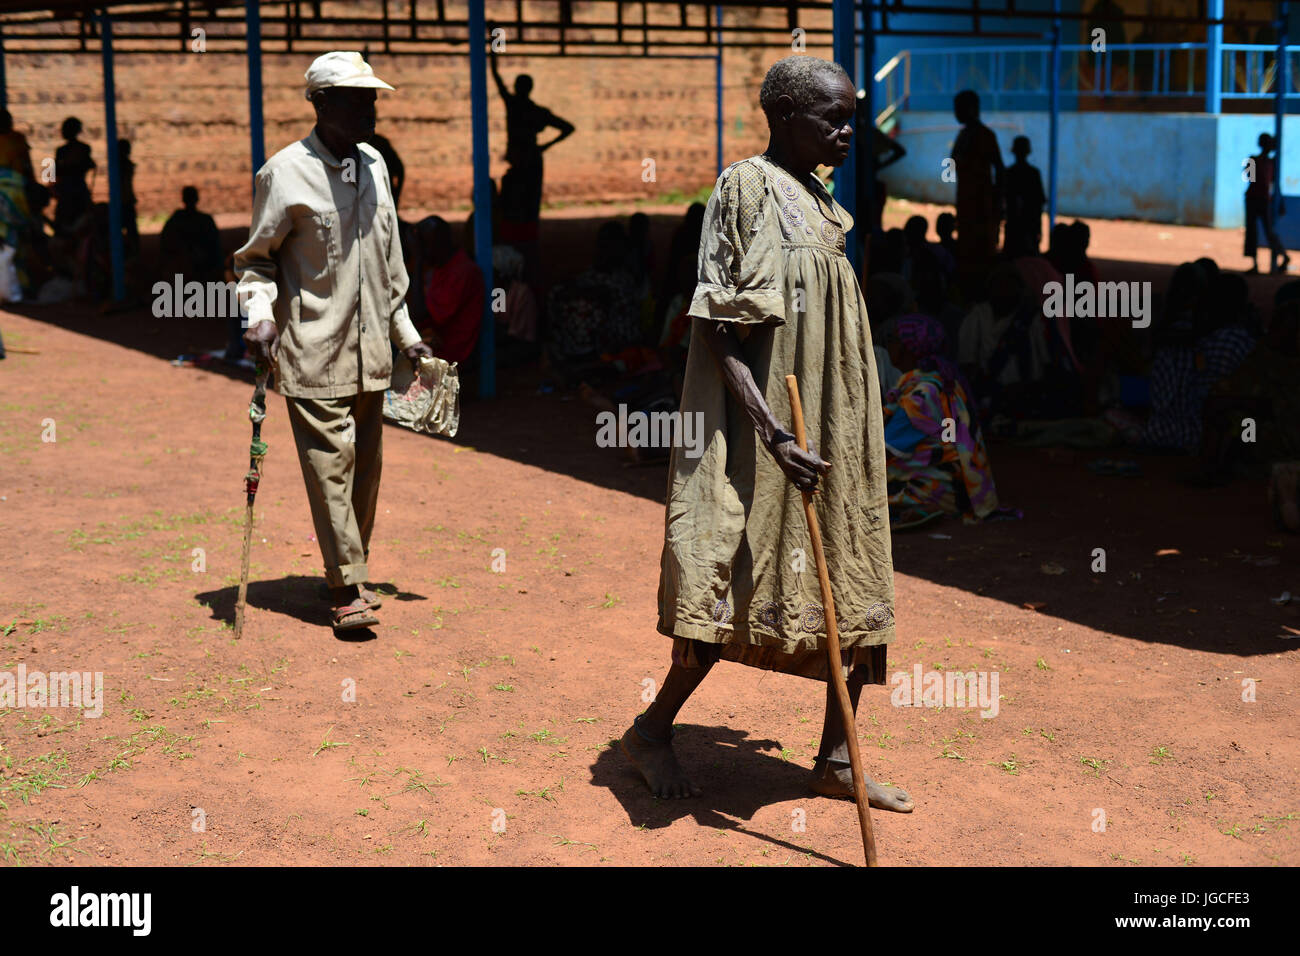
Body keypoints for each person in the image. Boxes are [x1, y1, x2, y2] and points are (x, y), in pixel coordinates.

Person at [621, 55, 912, 813]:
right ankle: (651, 732)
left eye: (851, 116)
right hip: (760, 428)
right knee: (732, 571)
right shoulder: (743, 188)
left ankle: (837, 758)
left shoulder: (822, 200)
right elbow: (715, 323)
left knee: (848, 571)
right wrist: (772, 431)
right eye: (834, 118)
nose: (849, 132)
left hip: (833, 419)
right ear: (783, 114)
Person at [236, 51, 433, 633]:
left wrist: (410, 339)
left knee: (365, 471)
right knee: (331, 465)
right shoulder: (284, 173)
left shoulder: (373, 164)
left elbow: (389, 267)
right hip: (312, 348)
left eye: (372, 97)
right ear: (320, 104)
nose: (371, 108)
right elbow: (255, 265)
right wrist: (259, 315)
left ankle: (349, 567)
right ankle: (348, 584)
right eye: (357, 98)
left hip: (372, 351)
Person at [883, 314, 997, 527]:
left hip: (930, 485)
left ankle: (917, 506)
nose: (889, 345)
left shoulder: (920, 396)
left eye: (893, 339)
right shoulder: (943, 382)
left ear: (908, 347)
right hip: (954, 484)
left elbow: (883, 451)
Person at [490, 49, 574, 225]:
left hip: (521, 161)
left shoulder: (514, 105)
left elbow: (495, 73)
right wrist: (545, 146)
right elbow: (568, 128)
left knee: (514, 207)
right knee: (529, 205)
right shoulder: (537, 112)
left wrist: (495, 38)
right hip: (531, 161)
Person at [950, 90, 1004, 286]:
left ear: (971, 109)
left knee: (983, 254)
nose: (956, 113)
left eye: (959, 108)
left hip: (982, 207)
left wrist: (997, 201)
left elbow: (999, 168)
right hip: (966, 204)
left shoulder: (985, 135)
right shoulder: (963, 135)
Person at [417, 214, 484, 365]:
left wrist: (418, 260)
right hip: (436, 341)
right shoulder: (440, 267)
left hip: (451, 353)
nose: (423, 250)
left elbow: (419, 315)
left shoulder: (461, 272)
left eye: (425, 244)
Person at [1244, 132, 1289, 275]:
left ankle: (1280, 257)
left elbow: (1252, 178)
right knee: (1257, 232)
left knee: (1261, 232)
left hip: (1259, 200)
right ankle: (1258, 264)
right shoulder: (1258, 160)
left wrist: (1280, 201)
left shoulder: (1263, 161)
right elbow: (1250, 177)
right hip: (1258, 199)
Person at [1003, 135, 1045, 257]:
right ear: (1028, 151)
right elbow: (1039, 204)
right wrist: (1038, 228)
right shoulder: (1033, 173)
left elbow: (1003, 201)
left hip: (1013, 225)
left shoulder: (1009, 173)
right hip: (1029, 224)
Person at [53, 117, 95, 238]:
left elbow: (55, 170)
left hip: (71, 193)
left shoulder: (64, 151)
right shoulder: (82, 149)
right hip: (74, 192)